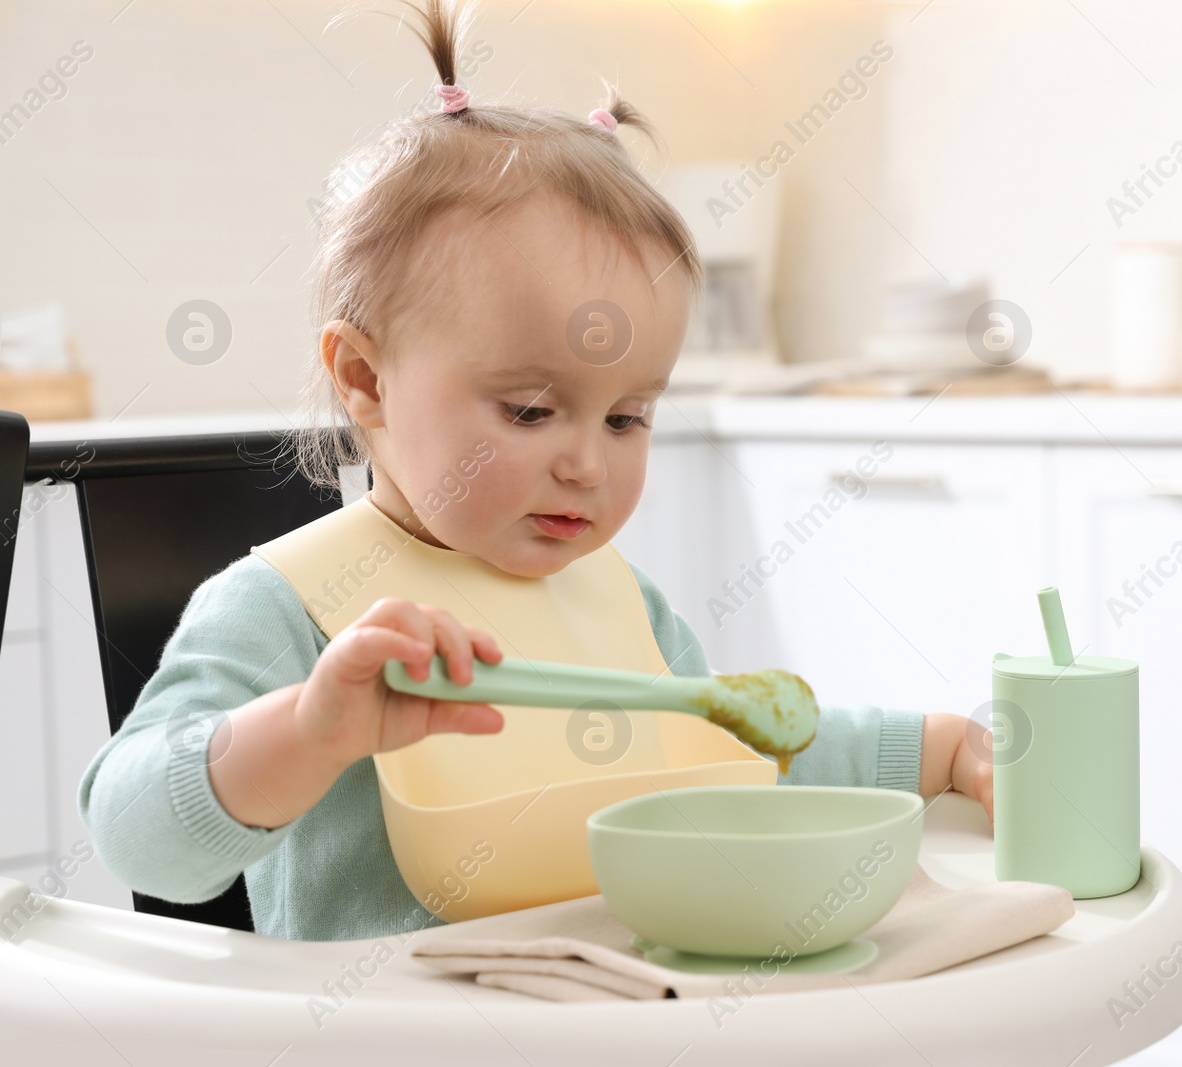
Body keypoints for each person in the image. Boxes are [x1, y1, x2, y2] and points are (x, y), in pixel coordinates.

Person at [78, 0, 993, 941]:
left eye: (629, 415)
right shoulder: (286, 605)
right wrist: (310, 732)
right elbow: (136, 839)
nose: (588, 464)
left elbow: (738, 749)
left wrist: (947, 749)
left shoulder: (619, 601)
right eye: (528, 410)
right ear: (365, 378)